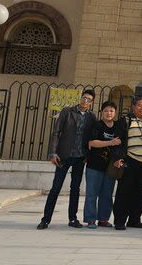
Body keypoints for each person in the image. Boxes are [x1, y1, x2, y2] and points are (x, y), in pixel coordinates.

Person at [37, 89, 97, 230]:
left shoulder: (91, 117)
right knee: (56, 188)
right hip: (63, 156)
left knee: (75, 189)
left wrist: (88, 155)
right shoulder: (67, 112)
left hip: (80, 157)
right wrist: (53, 152)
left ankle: (73, 218)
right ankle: (45, 219)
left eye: (88, 99)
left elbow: (91, 137)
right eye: (84, 98)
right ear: (80, 98)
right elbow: (56, 132)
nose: (85, 101)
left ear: (91, 103)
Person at [112, 97, 142, 230]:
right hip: (129, 160)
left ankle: (134, 219)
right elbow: (118, 141)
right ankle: (119, 220)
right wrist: (117, 158)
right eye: (139, 105)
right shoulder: (125, 121)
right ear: (133, 107)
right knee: (124, 191)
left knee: (139, 192)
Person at [83, 100, 121, 229]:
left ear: (115, 113)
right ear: (102, 112)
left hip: (110, 167)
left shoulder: (118, 127)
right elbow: (92, 143)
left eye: (111, 111)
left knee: (107, 194)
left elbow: (121, 144)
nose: (108, 113)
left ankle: (104, 219)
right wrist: (110, 142)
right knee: (91, 194)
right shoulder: (96, 125)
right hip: (94, 165)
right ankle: (91, 219)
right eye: (106, 110)